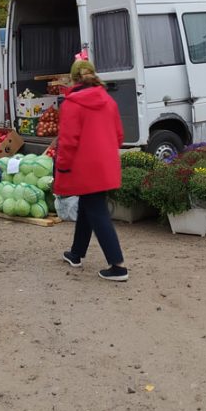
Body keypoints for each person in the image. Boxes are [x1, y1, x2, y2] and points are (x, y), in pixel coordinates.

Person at [54, 59, 129, 282]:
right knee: (88, 208)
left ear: (73, 79)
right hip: (105, 165)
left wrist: (63, 166)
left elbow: (68, 141)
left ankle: (118, 266)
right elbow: (119, 136)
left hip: (84, 167)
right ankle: (76, 253)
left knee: (97, 212)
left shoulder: (71, 104)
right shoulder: (108, 100)